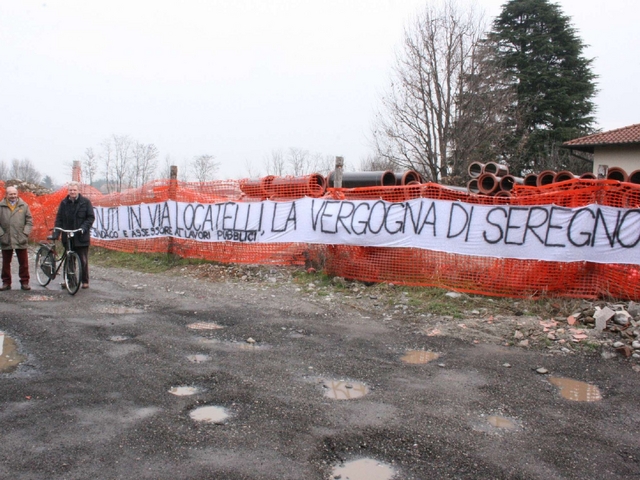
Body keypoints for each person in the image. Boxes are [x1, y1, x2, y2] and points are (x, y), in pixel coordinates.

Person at [52, 182, 95, 289]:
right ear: (68, 191)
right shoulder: (64, 203)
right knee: (69, 260)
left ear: (78, 191)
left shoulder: (85, 202)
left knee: (83, 260)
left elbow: (90, 217)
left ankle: (85, 281)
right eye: (70, 190)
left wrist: (83, 228)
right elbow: (59, 219)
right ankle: (70, 281)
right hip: (67, 236)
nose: (72, 192)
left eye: (74, 190)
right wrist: (57, 232)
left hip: (81, 236)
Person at [0, 186, 33, 290]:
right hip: (6, 238)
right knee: (6, 262)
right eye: (11, 194)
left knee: (23, 262)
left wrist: (25, 233)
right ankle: (6, 282)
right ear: (6, 195)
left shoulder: (24, 206)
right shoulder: (1, 206)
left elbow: (29, 221)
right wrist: (1, 234)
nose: (13, 196)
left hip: (21, 238)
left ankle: (24, 282)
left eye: (14, 194)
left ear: (17, 194)